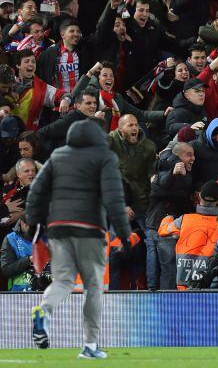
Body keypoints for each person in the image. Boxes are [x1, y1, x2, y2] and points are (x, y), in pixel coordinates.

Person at [27, 118, 131, 359]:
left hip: (58, 228)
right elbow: (114, 199)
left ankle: (44, 310)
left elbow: (37, 192)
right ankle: (90, 346)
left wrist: (37, 223)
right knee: (93, 287)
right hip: (90, 228)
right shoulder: (105, 157)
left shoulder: (57, 156)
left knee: (63, 281)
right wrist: (125, 236)